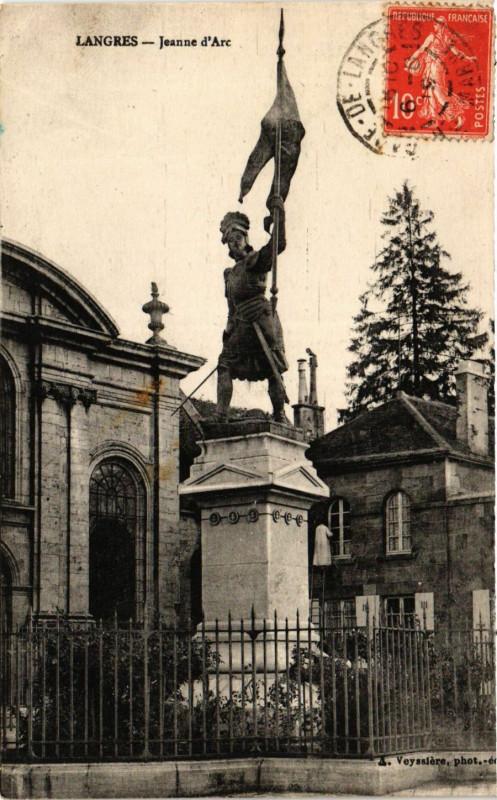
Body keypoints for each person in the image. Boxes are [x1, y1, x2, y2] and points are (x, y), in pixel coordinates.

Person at [216, 196, 288, 422]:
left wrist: (280, 216)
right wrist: (228, 332)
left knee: (272, 367)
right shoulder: (229, 274)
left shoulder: (255, 261)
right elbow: (231, 308)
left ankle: (279, 414)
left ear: (245, 238)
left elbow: (279, 245)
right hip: (241, 324)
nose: (234, 243)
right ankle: (221, 417)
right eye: (230, 240)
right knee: (224, 364)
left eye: (237, 237)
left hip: (262, 319)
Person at [405, 17, 477, 130]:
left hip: (436, 67)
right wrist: (410, 61)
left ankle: (458, 115)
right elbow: (421, 50)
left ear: (442, 25)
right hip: (430, 66)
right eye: (435, 24)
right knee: (429, 92)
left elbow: (457, 53)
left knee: (438, 93)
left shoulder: (446, 38)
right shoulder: (433, 37)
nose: (435, 26)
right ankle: (435, 119)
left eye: (437, 24)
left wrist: (469, 58)